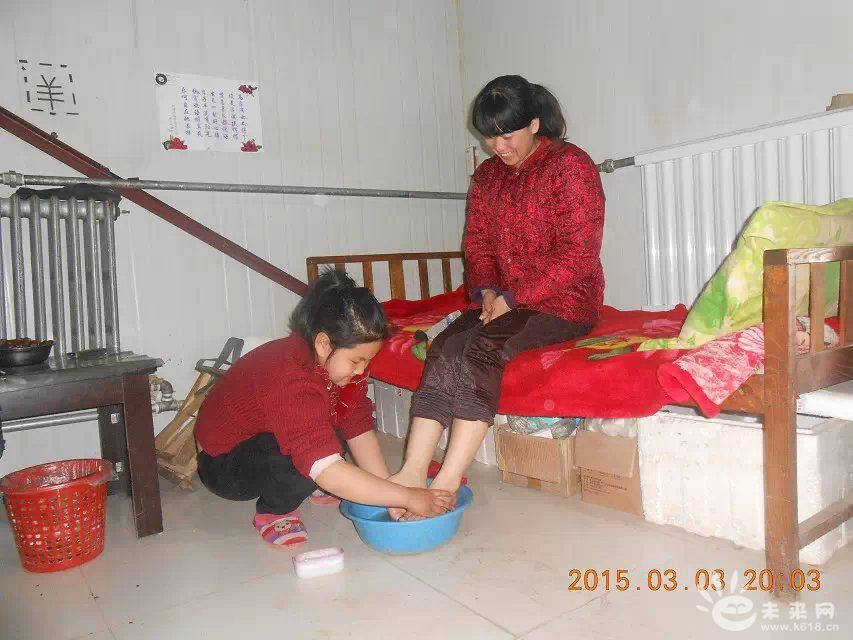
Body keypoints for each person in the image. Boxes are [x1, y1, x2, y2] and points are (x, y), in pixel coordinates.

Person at [389, 74, 605, 519]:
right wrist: (488, 290)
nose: (497, 147)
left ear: (534, 123)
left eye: (507, 136)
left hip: (564, 301)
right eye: (489, 137)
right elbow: (479, 244)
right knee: (446, 346)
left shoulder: (570, 165)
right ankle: (411, 472)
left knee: (482, 351)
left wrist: (514, 296)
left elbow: (578, 254)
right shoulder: (488, 176)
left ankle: (446, 483)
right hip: (502, 300)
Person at [195, 269, 453, 546]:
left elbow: (357, 426)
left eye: (367, 361)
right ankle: (274, 511)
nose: (362, 370)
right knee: (306, 462)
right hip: (223, 466)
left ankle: (312, 480)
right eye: (356, 361)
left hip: (261, 442)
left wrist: (391, 494)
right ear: (323, 343)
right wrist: (408, 496)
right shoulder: (290, 378)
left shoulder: (327, 363)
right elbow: (326, 469)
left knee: (332, 434)